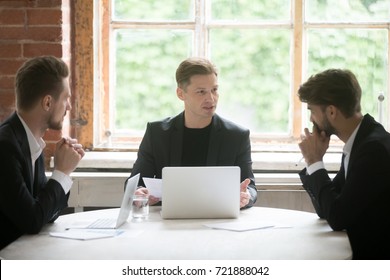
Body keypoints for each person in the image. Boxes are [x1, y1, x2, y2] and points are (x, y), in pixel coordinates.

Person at [130, 57, 257, 209]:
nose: (211, 99)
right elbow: (135, 184)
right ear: (180, 94)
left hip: (218, 219)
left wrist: (245, 197)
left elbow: (250, 187)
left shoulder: (237, 136)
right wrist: (140, 194)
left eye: (214, 90)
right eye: (201, 92)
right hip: (168, 222)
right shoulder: (157, 133)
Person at [297, 68, 390, 259]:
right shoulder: (359, 141)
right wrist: (314, 162)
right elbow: (326, 209)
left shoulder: (373, 150)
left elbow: (337, 218)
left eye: (312, 112)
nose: (311, 120)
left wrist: (314, 161)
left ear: (331, 111)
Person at [0, 56, 85, 250]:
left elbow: (46, 212)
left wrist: (61, 175)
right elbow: (32, 220)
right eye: (66, 98)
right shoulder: (5, 147)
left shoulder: (32, 141)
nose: (69, 107)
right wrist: (62, 173)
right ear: (47, 103)